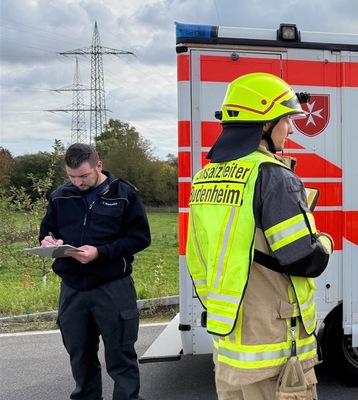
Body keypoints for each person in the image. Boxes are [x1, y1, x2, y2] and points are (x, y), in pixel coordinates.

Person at [185, 72, 332, 400]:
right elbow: (305, 259)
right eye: (286, 120)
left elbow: (198, 255)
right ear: (264, 124)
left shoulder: (204, 178)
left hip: (230, 346)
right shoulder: (274, 175)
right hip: (276, 350)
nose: (291, 128)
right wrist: (325, 241)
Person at [39, 143, 151, 400]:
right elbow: (47, 232)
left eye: (84, 176)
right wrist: (49, 241)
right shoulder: (59, 196)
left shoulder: (125, 194)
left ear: (98, 166)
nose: (77, 182)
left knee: (120, 356)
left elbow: (140, 238)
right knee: (80, 355)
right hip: (73, 288)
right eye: (72, 176)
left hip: (113, 286)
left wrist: (100, 252)